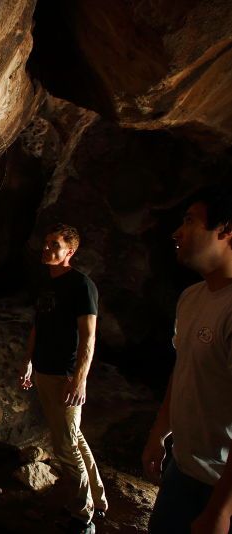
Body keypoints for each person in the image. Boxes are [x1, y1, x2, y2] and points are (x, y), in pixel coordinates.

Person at [143, 185, 232, 534]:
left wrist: (221, 511)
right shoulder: (191, 298)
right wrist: (159, 433)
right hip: (183, 467)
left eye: (190, 220)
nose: (177, 232)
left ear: (226, 230)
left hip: (218, 481)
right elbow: (184, 370)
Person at [20, 223, 107, 534]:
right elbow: (37, 327)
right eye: (45, 242)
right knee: (74, 436)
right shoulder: (48, 285)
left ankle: (82, 518)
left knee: (66, 447)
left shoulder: (82, 286)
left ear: (70, 252)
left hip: (65, 376)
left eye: (54, 244)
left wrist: (79, 380)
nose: (47, 248)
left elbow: (89, 337)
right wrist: (29, 362)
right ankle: (97, 500)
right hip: (44, 371)